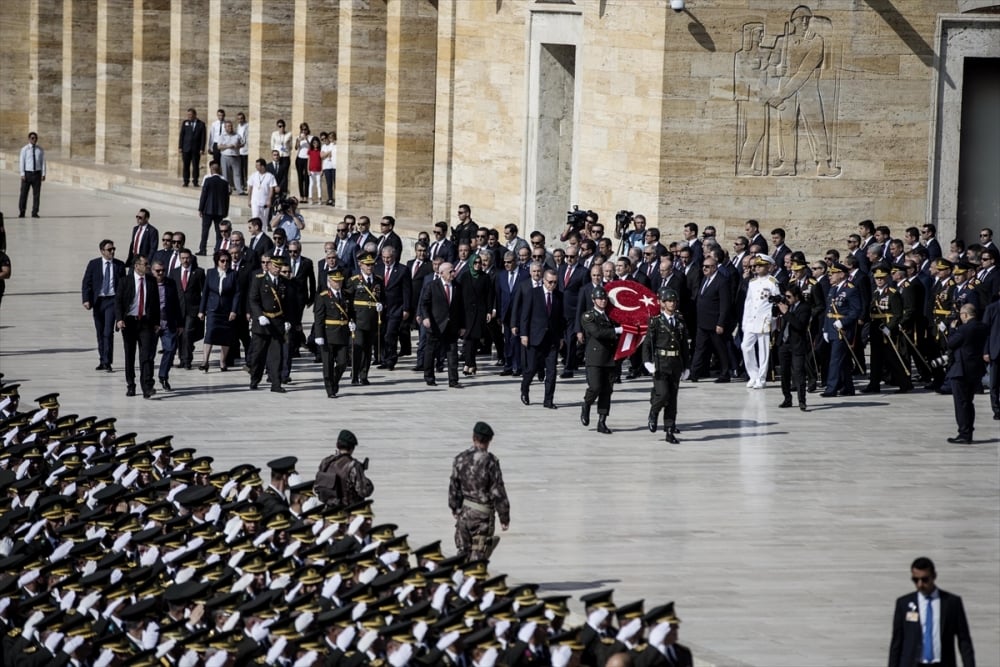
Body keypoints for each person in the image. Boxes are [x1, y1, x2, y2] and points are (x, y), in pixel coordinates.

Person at [888, 556, 975, 667]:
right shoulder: (903, 603)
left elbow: (964, 640)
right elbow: (897, 642)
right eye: (915, 580)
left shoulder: (951, 603)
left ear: (934, 576)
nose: (920, 584)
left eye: (925, 580)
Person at [448, 421, 510, 561]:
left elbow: (454, 486)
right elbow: (498, 490)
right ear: (489, 440)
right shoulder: (490, 461)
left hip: (464, 515)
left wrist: (455, 508)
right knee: (478, 560)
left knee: (462, 555)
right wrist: (504, 517)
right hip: (482, 517)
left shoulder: (460, 458)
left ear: (473, 437)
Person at [643, 288, 690, 443]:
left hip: (675, 363)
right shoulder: (656, 322)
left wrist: (687, 366)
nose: (672, 303)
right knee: (663, 394)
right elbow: (648, 344)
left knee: (673, 400)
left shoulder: (680, 321)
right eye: (669, 301)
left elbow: (684, 345)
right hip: (661, 363)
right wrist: (647, 362)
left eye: (674, 301)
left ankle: (669, 430)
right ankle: (654, 411)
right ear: (662, 303)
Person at [114, 255, 160, 398]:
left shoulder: (151, 281)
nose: (147, 266)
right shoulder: (125, 281)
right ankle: (131, 385)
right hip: (129, 322)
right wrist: (119, 319)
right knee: (130, 355)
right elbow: (118, 302)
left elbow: (156, 303)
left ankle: (146, 386)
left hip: (145, 322)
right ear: (136, 266)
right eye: (145, 264)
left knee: (146, 355)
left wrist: (157, 322)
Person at [519, 269, 565, 408]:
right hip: (535, 337)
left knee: (551, 371)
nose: (552, 285)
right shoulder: (533, 293)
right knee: (532, 368)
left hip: (552, 339)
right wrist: (524, 334)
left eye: (555, 282)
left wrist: (561, 337)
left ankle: (548, 400)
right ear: (544, 280)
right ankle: (525, 388)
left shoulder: (559, 296)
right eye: (550, 282)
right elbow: (525, 315)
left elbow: (561, 319)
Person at [864, 265, 914, 394]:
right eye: (877, 278)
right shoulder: (875, 293)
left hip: (887, 331)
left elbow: (897, 314)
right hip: (876, 329)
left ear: (887, 278)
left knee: (892, 358)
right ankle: (874, 384)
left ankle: (905, 383)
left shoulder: (893, 293)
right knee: (875, 358)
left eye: (882, 278)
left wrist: (889, 327)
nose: (879, 280)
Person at [580, 287, 622, 434]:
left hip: (610, 358)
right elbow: (597, 332)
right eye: (599, 298)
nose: (602, 301)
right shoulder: (588, 316)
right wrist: (616, 331)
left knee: (607, 391)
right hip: (595, 358)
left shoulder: (611, 316)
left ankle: (602, 421)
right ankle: (586, 404)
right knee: (595, 387)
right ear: (593, 300)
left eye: (604, 298)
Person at [944, 303, 989, 444]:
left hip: (961, 369)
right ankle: (969, 430)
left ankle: (964, 433)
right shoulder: (983, 327)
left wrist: (951, 329)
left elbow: (951, 343)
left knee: (961, 402)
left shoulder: (964, 329)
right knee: (969, 402)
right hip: (975, 368)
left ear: (965, 315)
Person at [81, 239, 126, 372]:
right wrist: (86, 299)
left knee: (108, 332)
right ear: (102, 251)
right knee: (100, 332)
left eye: (113, 249)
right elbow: (86, 283)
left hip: (112, 301)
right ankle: (102, 359)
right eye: (109, 249)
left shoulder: (119, 265)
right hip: (98, 302)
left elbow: (123, 286)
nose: (112, 251)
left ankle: (107, 361)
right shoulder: (94, 264)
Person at [248, 256, 291, 392]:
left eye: (279, 267)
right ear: (269, 266)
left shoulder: (284, 282)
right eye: (275, 266)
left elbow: (288, 304)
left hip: (277, 323)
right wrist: (259, 315)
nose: (277, 269)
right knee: (258, 355)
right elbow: (253, 300)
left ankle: (276, 384)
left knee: (276, 355)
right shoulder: (259, 280)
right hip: (262, 323)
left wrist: (288, 320)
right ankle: (255, 379)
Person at [421, 262, 465, 387]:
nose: (453, 273)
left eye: (453, 271)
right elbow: (424, 304)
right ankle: (429, 377)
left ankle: (453, 380)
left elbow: (462, 308)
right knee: (431, 352)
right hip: (435, 325)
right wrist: (426, 318)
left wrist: (463, 326)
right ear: (441, 273)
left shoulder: (457, 287)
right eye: (450, 271)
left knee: (452, 354)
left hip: (452, 327)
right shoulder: (432, 286)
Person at [820, 263, 861, 397]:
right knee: (842, 360)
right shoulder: (833, 289)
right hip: (832, 328)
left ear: (842, 274)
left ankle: (831, 388)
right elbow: (829, 310)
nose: (830, 276)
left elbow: (855, 311)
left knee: (835, 359)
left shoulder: (850, 289)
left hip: (842, 330)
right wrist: (825, 328)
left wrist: (843, 322)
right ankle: (848, 387)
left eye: (833, 273)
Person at [689, 257, 732, 383]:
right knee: (699, 347)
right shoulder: (705, 279)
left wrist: (721, 323)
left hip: (715, 323)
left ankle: (725, 373)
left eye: (707, 266)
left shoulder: (722, 281)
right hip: (703, 322)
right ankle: (694, 372)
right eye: (703, 266)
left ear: (714, 267)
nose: (704, 268)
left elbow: (725, 304)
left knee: (720, 348)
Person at [198, 250, 241, 372]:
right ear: (217, 261)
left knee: (225, 336)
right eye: (222, 261)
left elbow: (237, 294)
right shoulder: (211, 273)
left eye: (227, 261)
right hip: (213, 309)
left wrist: (234, 310)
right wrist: (201, 310)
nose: (225, 263)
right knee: (210, 333)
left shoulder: (233, 274)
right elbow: (205, 292)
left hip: (226, 310)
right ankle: (205, 361)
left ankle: (223, 361)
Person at [741, 255, 779, 389]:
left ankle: (762, 378)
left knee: (763, 350)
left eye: (760, 265)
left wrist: (773, 319)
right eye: (756, 265)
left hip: (764, 319)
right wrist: (744, 321)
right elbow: (748, 303)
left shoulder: (772, 282)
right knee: (745, 346)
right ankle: (753, 375)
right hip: (752, 319)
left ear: (768, 267)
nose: (756, 267)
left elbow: (776, 302)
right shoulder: (752, 282)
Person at [312, 270, 352, 398]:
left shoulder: (346, 295)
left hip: (343, 333)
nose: (338, 283)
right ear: (329, 281)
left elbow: (350, 312)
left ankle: (334, 380)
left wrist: (352, 322)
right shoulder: (323, 296)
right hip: (328, 334)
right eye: (335, 281)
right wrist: (318, 335)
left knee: (343, 362)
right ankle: (330, 390)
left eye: (340, 281)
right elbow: (318, 318)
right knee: (328, 364)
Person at [347, 252, 384, 386]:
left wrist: (381, 306)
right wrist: (350, 319)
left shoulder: (378, 280)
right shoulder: (354, 281)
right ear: (360, 265)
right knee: (358, 347)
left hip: (373, 319)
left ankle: (364, 375)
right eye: (367, 265)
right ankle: (355, 374)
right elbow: (348, 301)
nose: (370, 267)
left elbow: (383, 298)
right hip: (359, 319)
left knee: (368, 349)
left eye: (372, 264)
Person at [315, 429, 374, 508]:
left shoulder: (325, 462)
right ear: (352, 448)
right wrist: (366, 480)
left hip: (329, 511)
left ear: (337, 445)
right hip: (349, 511)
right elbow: (364, 492)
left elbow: (317, 488)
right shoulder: (353, 465)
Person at [169, 248, 205, 370]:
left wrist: (202, 309)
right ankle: (182, 358)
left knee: (188, 334)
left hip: (192, 309)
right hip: (178, 309)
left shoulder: (199, 272)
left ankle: (187, 360)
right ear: (179, 259)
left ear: (191, 258)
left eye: (187, 258)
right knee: (180, 335)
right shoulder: (174, 272)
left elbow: (203, 292)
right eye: (183, 258)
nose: (185, 260)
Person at [458, 254, 493, 376]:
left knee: (474, 339)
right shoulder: (465, 276)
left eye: (480, 262)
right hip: (466, 313)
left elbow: (489, 296)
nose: (478, 265)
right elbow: (460, 295)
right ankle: (470, 364)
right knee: (468, 339)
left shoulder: (485, 277)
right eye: (475, 262)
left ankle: (469, 364)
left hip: (479, 312)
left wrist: (489, 311)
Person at [776, 283, 810, 410]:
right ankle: (787, 398)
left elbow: (799, 325)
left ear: (797, 296)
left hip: (797, 344)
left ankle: (802, 400)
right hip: (784, 343)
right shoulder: (787, 306)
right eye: (786, 296)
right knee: (784, 373)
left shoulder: (804, 307)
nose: (787, 299)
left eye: (789, 297)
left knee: (798, 373)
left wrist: (786, 313)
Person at [150, 260, 182, 392]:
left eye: (163, 270)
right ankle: (148, 381)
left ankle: (163, 375)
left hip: (168, 322)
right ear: (152, 271)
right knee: (149, 354)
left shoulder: (170, 283)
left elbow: (176, 304)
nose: (161, 273)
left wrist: (180, 323)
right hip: (152, 324)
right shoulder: (147, 283)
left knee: (170, 349)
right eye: (158, 271)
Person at [197, 161, 230, 255]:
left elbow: (204, 195)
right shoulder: (224, 182)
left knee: (205, 230)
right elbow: (226, 198)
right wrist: (226, 210)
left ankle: (203, 249)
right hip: (220, 211)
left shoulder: (208, 180)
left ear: (211, 169)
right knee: (219, 231)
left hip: (208, 209)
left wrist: (200, 208)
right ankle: (218, 249)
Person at [17, 132, 46, 218]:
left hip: (37, 174)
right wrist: (22, 174)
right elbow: (22, 162)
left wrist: (43, 173)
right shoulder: (24, 149)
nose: (34, 140)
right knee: (23, 194)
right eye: (32, 138)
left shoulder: (40, 149)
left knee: (36, 195)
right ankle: (22, 211)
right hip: (27, 173)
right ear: (29, 139)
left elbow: (43, 162)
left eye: (35, 138)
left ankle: (35, 212)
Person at [178, 108, 206, 187]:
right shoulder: (185, 123)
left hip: (196, 149)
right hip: (186, 148)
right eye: (188, 115)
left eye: (190, 114)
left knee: (195, 165)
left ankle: (195, 181)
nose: (189, 116)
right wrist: (180, 146)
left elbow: (203, 137)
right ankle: (186, 181)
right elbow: (182, 135)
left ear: (194, 115)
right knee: (186, 165)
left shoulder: (201, 124)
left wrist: (202, 148)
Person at [217, 120, 244, 194]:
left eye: (231, 126)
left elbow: (243, 144)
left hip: (236, 156)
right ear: (225, 127)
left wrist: (237, 146)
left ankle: (239, 189)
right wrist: (228, 146)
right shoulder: (222, 136)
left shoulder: (237, 135)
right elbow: (219, 146)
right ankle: (227, 189)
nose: (230, 128)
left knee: (237, 173)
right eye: (228, 126)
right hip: (226, 156)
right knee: (226, 174)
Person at [247, 158, 278, 223]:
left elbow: (271, 189)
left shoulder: (270, 176)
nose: (256, 167)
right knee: (255, 218)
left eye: (258, 165)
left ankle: (263, 232)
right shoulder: (253, 175)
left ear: (262, 166)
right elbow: (250, 188)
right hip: (255, 201)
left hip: (264, 201)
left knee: (263, 220)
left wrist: (269, 200)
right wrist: (249, 200)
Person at [270, 119, 293, 193]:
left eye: (282, 126)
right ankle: (277, 188)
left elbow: (290, 146)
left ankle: (284, 189)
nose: (281, 128)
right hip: (278, 155)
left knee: (285, 173)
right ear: (277, 126)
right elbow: (272, 145)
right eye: (279, 126)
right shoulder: (274, 134)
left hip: (285, 155)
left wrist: (287, 149)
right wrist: (274, 154)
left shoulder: (288, 134)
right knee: (277, 172)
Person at [321, 131, 337, 205]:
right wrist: (328, 153)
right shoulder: (324, 146)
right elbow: (322, 156)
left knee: (335, 183)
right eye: (322, 139)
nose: (324, 140)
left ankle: (336, 198)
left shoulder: (333, 144)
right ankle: (330, 198)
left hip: (334, 166)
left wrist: (326, 153)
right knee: (329, 184)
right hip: (327, 167)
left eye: (325, 138)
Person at [307, 136, 323, 205]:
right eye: (314, 143)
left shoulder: (320, 151)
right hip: (311, 170)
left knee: (318, 184)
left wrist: (322, 170)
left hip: (318, 170)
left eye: (316, 143)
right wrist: (308, 169)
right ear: (312, 144)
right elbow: (308, 160)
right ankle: (310, 198)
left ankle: (319, 198)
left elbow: (322, 161)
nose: (315, 144)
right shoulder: (310, 151)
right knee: (311, 184)